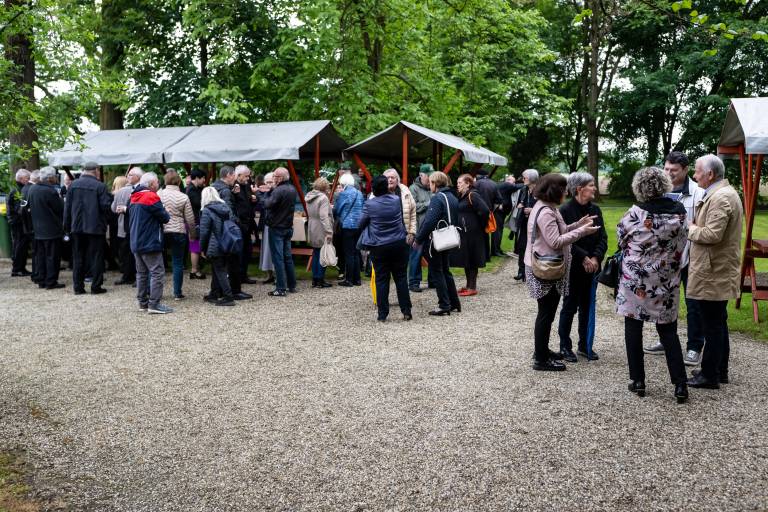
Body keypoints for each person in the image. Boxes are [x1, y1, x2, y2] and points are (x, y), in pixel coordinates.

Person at [616, 167, 689, 401]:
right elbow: (684, 241)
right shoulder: (680, 213)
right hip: (667, 280)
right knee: (668, 331)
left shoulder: (635, 213)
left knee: (633, 327)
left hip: (637, 280)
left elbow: (621, 239)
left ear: (639, 188)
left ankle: (638, 381)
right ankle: (680, 384)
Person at [525, 173, 599, 372]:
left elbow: (562, 230)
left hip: (548, 265)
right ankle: (541, 359)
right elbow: (556, 241)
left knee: (548, 313)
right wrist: (582, 232)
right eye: (563, 189)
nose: (566, 192)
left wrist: (578, 224)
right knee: (546, 313)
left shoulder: (548, 207)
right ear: (554, 190)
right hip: (545, 267)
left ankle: (542, 350)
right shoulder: (546, 212)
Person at [644, 151, 706, 366]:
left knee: (693, 304)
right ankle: (666, 340)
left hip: (690, 257)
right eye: (666, 169)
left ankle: (694, 347)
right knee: (664, 301)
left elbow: (699, 226)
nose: (669, 173)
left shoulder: (698, 193)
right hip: (665, 259)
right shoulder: (660, 191)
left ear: (685, 170)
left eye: (674, 170)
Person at [686, 155, 743, 389]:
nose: (694, 175)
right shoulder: (722, 193)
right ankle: (719, 370)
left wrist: (690, 228)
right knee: (717, 321)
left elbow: (712, 234)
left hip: (713, 271)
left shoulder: (721, 197)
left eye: (697, 171)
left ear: (710, 174)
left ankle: (710, 375)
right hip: (715, 269)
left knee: (712, 324)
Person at [557, 172, 607, 362]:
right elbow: (564, 240)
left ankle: (585, 345)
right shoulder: (565, 210)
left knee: (587, 307)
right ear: (579, 189)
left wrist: (595, 258)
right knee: (569, 307)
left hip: (592, 268)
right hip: (573, 267)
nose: (595, 188)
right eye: (591, 185)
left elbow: (603, 237)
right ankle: (565, 346)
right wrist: (584, 257)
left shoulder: (595, 209)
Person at [359, 175, 412, 321]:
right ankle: (406, 311)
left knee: (382, 279)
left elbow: (360, 223)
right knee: (401, 277)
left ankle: (382, 314)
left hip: (379, 245)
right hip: (398, 243)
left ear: (374, 189)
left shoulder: (370, 204)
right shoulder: (396, 200)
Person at [414, 171, 461, 316]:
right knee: (445, 270)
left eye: (431, 183)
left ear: (435, 183)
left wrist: (418, 239)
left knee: (437, 271)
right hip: (448, 238)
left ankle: (444, 304)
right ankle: (454, 302)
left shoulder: (437, 198)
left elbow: (429, 222)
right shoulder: (452, 197)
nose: (429, 185)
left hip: (436, 240)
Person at [63, 162, 111, 295]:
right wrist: (105, 222)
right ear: (96, 171)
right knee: (96, 257)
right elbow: (106, 207)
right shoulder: (100, 186)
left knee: (78, 257)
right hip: (95, 228)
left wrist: (67, 227)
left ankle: (78, 287)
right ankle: (96, 286)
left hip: (77, 228)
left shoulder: (73, 185)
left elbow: (67, 209)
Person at [128, 172, 172, 314]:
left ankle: (143, 303)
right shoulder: (151, 197)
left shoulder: (134, 196)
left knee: (141, 273)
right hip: (150, 241)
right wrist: (166, 211)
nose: (158, 184)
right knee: (157, 272)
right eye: (157, 182)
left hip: (136, 240)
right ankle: (154, 304)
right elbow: (165, 218)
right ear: (152, 184)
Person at [212, 166, 249, 300]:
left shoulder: (213, 187)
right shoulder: (226, 191)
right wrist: (240, 226)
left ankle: (216, 291)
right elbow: (228, 211)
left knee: (220, 263)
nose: (235, 178)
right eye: (234, 175)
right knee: (234, 261)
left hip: (216, 229)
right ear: (228, 175)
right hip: (228, 230)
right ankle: (235, 291)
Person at [158, 170, 196, 300]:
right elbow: (190, 219)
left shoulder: (158, 194)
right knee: (178, 262)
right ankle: (177, 293)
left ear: (165, 181)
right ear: (179, 182)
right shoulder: (183, 197)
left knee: (156, 262)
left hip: (162, 231)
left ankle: (154, 292)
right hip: (178, 231)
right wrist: (192, 234)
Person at [451, 174, 490, 296]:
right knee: (467, 258)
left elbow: (485, 210)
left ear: (468, 183)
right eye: (457, 182)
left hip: (474, 234)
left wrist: (479, 224)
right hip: (465, 233)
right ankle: (468, 285)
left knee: (472, 259)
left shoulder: (473, 195)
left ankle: (472, 287)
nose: (458, 185)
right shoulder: (463, 195)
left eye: (460, 182)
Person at [27, 166, 65, 289]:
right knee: (52, 257)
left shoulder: (32, 189)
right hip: (51, 229)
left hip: (37, 229)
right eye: (55, 176)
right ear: (50, 178)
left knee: (41, 256)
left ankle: (42, 279)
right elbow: (60, 208)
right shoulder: (50, 191)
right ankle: (51, 281)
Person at [199, 186, 237, 306]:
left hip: (214, 244)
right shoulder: (226, 207)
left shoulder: (207, 210)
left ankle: (228, 297)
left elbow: (204, 232)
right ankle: (214, 293)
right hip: (227, 242)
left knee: (220, 270)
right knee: (217, 268)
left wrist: (201, 248)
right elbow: (233, 222)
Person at [264, 167, 298, 297]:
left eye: (274, 176)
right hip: (287, 227)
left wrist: (265, 194)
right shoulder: (292, 189)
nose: (273, 178)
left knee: (278, 258)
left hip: (277, 227)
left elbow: (267, 204)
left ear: (279, 178)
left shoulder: (278, 190)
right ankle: (291, 285)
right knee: (287, 257)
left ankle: (280, 288)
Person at [111, 167, 143, 286]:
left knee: (125, 252)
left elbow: (113, 209)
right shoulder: (141, 191)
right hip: (136, 227)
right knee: (136, 252)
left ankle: (126, 275)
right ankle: (137, 277)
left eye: (130, 175)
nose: (128, 176)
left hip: (122, 227)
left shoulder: (120, 192)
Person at [333, 172, 364, 287]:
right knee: (356, 252)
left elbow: (337, 209)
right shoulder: (359, 193)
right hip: (358, 225)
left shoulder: (344, 194)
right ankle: (357, 279)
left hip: (347, 226)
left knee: (349, 253)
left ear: (343, 182)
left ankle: (349, 280)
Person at [408, 164, 434, 292]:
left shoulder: (433, 187)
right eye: (428, 175)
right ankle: (414, 283)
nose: (430, 178)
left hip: (431, 229)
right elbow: (413, 207)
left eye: (431, 175)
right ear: (421, 175)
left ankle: (433, 281)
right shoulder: (412, 189)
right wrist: (429, 203)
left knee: (433, 255)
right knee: (415, 256)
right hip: (418, 229)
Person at [306, 177, 334, 288]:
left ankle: (315, 279)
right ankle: (320, 280)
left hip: (312, 225)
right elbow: (323, 216)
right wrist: (329, 231)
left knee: (316, 253)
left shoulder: (309, 196)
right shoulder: (323, 198)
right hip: (321, 227)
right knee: (323, 253)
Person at [233, 164, 258, 284]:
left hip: (248, 223)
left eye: (248, 176)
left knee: (247, 251)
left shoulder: (246, 186)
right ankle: (237, 276)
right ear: (238, 175)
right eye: (246, 176)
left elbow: (249, 203)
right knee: (239, 252)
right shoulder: (233, 186)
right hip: (239, 224)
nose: (248, 178)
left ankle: (243, 275)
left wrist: (254, 199)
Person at [514, 169, 539, 281]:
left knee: (535, 247)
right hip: (524, 222)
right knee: (522, 246)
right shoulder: (523, 190)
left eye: (525, 178)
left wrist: (532, 210)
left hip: (537, 224)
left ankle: (533, 272)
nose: (523, 179)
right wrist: (520, 206)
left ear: (532, 179)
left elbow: (545, 207)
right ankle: (521, 271)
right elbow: (519, 203)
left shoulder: (540, 191)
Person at [8, 168, 32, 277]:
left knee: (21, 245)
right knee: (19, 245)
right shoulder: (17, 191)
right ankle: (17, 269)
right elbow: (20, 209)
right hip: (18, 222)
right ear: (21, 178)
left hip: (18, 221)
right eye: (27, 178)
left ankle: (21, 268)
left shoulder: (18, 188)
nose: (29, 180)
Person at [473, 167, 500, 262]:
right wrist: (491, 210)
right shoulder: (494, 184)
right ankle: (486, 256)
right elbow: (499, 200)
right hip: (488, 213)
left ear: (478, 175)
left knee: (477, 235)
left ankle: (478, 256)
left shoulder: (475, 184)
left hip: (476, 213)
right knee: (486, 234)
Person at [186, 168, 207, 280]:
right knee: (195, 247)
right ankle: (194, 271)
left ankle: (196, 269)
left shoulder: (195, 188)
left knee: (196, 246)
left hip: (195, 221)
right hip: (193, 222)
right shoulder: (191, 190)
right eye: (203, 178)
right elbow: (199, 203)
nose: (204, 180)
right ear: (197, 178)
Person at [257, 172, 275, 284]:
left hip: (274, 224)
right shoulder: (265, 193)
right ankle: (269, 274)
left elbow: (269, 204)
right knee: (266, 250)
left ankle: (277, 275)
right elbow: (260, 207)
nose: (269, 184)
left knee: (274, 250)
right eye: (267, 182)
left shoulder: (276, 192)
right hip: (266, 223)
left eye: (270, 182)